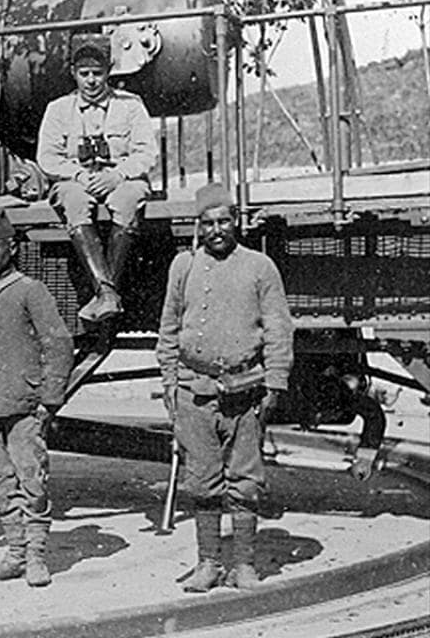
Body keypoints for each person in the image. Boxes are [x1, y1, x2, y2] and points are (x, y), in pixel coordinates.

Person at [156, 183, 294, 592]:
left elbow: (278, 329)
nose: (217, 229)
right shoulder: (183, 267)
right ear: (199, 227)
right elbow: (168, 330)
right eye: (208, 223)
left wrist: (276, 381)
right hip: (193, 390)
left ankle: (245, 565)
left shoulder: (259, 267)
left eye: (224, 221)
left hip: (245, 389)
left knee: (245, 480)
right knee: (201, 480)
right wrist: (168, 381)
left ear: (236, 222)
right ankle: (209, 564)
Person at [0, 208, 74, 587]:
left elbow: (59, 344)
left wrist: (48, 399)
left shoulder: (30, 291)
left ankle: (36, 557)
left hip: (24, 405)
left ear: (12, 248)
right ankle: (15, 553)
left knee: (32, 480)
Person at [37, 33, 158, 323]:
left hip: (121, 179)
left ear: (109, 71)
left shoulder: (130, 106)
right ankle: (109, 294)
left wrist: (118, 175)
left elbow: (146, 153)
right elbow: (47, 157)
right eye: (84, 74)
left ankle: (105, 294)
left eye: (98, 73)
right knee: (74, 201)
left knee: (129, 200)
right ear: (73, 74)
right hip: (76, 182)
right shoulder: (58, 109)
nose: (91, 81)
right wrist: (77, 174)